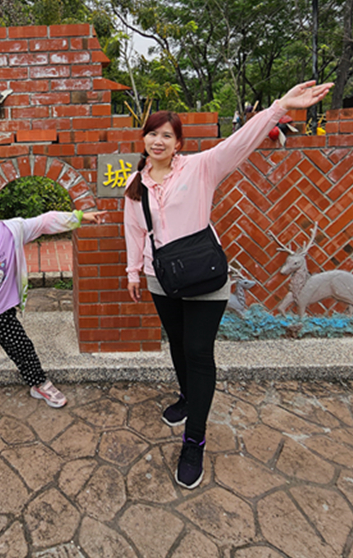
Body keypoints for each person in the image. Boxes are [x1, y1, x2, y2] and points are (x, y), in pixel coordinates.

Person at [123, 80, 332, 488]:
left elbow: (240, 141)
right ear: (144, 139)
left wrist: (277, 108)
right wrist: (134, 272)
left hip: (205, 277)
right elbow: (132, 232)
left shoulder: (201, 167)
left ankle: (194, 441)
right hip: (160, 278)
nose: (158, 140)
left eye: (167, 134)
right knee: (179, 344)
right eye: (152, 133)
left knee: (199, 351)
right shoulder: (135, 187)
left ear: (179, 143)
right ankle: (186, 396)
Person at [0, 185, 106, 427]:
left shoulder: (13, 230)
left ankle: (39, 384)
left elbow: (45, 221)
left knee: (22, 348)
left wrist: (78, 217)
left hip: (3, 311)